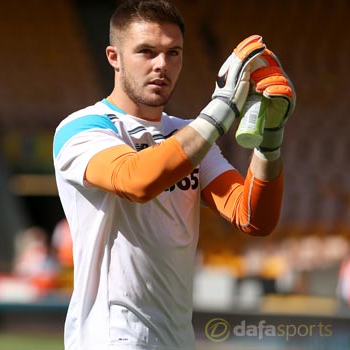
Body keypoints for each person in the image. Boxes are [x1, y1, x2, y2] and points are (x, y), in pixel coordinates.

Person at [52, 0, 295, 349]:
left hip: (178, 339)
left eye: (173, 53)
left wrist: (269, 142)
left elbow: (253, 217)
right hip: (111, 338)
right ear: (114, 57)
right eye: (146, 52)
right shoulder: (83, 128)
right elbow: (137, 181)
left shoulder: (190, 136)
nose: (161, 65)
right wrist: (224, 104)